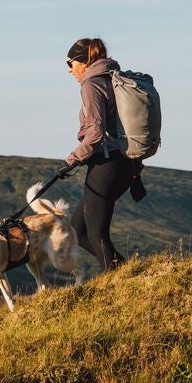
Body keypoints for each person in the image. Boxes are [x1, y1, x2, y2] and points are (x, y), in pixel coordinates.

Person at [63, 37, 132, 272]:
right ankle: (127, 273)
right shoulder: (112, 78)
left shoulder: (91, 85)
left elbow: (95, 132)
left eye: (69, 63)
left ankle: (115, 285)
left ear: (83, 61)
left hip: (107, 163)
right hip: (125, 163)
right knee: (78, 229)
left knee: (95, 233)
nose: (69, 69)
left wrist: (72, 159)